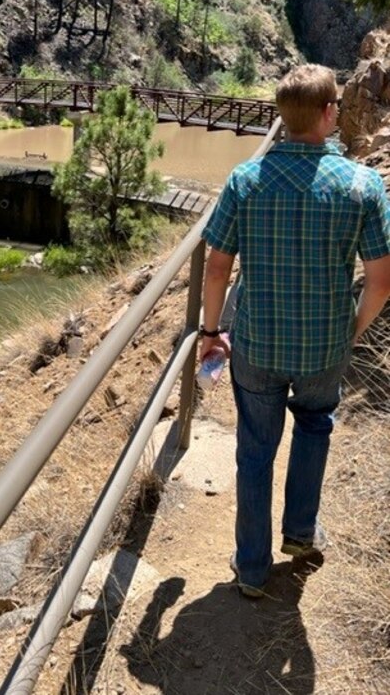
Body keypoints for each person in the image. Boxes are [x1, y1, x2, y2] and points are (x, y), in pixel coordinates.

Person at [198, 64, 390, 598]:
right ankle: (301, 534)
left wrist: (211, 331)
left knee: (255, 450)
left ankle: (252, 570)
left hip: (256, 343)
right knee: (314, 428)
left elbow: (217, 267)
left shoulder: (245, 180)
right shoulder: (363, 184)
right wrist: (350, 333)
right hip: (324, 346)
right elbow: (380, 282)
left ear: (283, 116)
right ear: (330, 113)